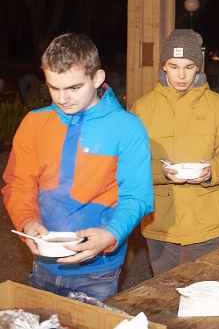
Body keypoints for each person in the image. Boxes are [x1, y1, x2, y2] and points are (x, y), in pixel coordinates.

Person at [2, 33, 154, 301]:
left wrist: (111, 233)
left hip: (98, 272)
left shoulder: (127, 127)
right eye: (53, 87)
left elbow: (137, 197)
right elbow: (18, 184)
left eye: (74, 88)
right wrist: (27, 222)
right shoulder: (34, 123)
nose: (63, 98)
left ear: (97, 78)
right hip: (43, 262)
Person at [132, 29, 219, 275]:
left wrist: (211, 172)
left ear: (199, 68)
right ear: (164, 67)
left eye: (189, 66)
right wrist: (161, 172)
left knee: (201, 293)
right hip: (161, 221)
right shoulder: (142, 108)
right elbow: (131, 164)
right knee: (165, 293)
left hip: (205, 221)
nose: (181, 75)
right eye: (174, 66)